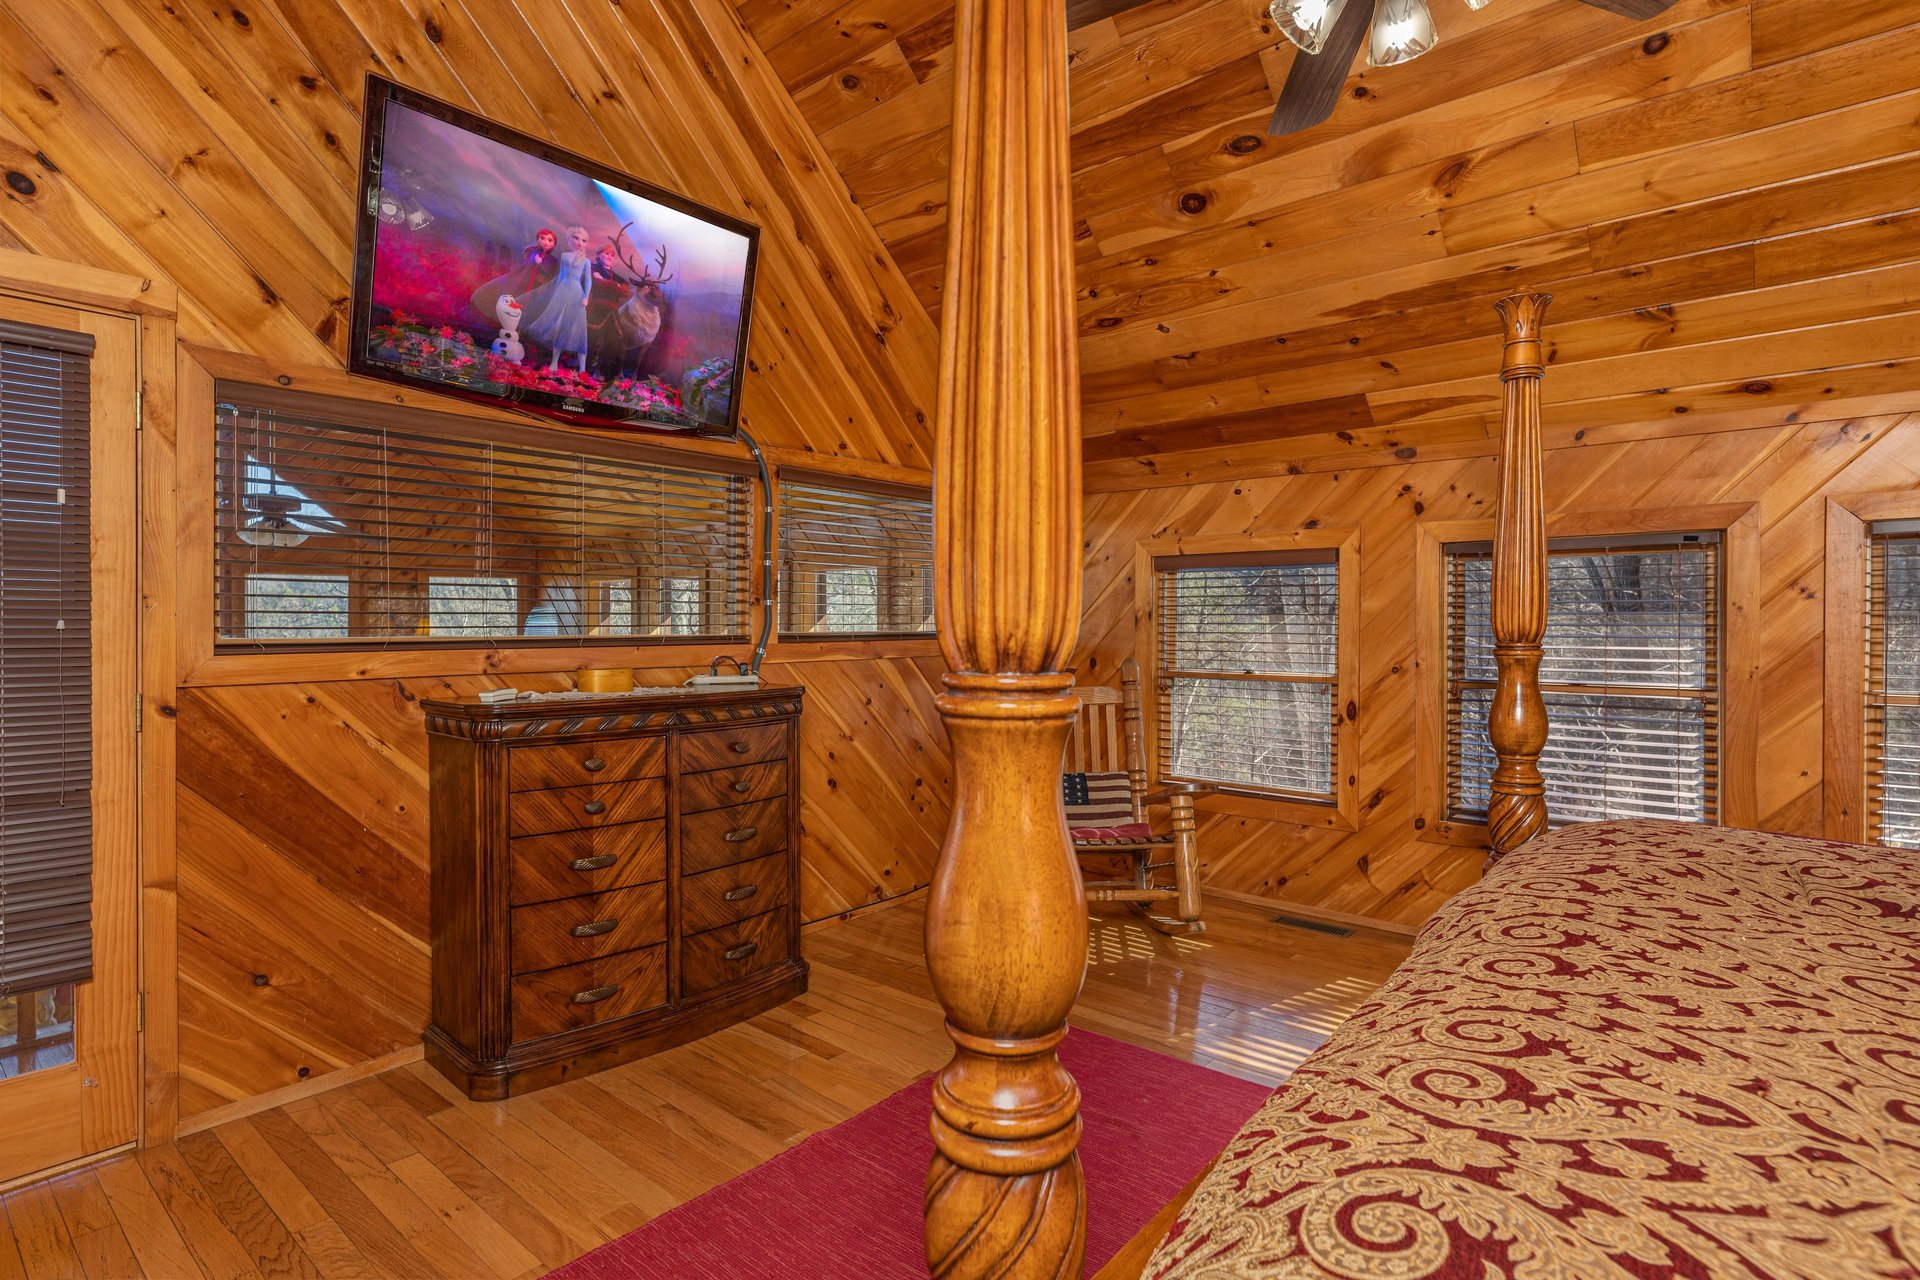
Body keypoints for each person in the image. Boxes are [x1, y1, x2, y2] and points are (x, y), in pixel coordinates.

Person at [516, 226, 595, 372]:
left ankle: (582, 369)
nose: (579, 242)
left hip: (576, 293)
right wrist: (553, 290)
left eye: (583, 240)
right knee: (558, 326)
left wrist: (585, 297)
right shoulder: (565, 256)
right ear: (570, 239)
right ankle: (554, 362)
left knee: (578, 328)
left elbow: (588, 281)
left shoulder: (586, 262)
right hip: (562, 290)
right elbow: (560, 276)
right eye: (576, 238)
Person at [469, 228, 558, 331]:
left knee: (525, 308)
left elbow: (549, 275)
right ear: (538, 239)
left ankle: (518, 328)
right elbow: (524, 269)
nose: (546, 242)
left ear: (554, 244)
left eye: (550, 240)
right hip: (522, 283)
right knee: (510, 303)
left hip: (536, 288)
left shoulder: (553, 260)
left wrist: (540, 264)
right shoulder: (533, 253)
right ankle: (502, 324)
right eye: (542, 238)